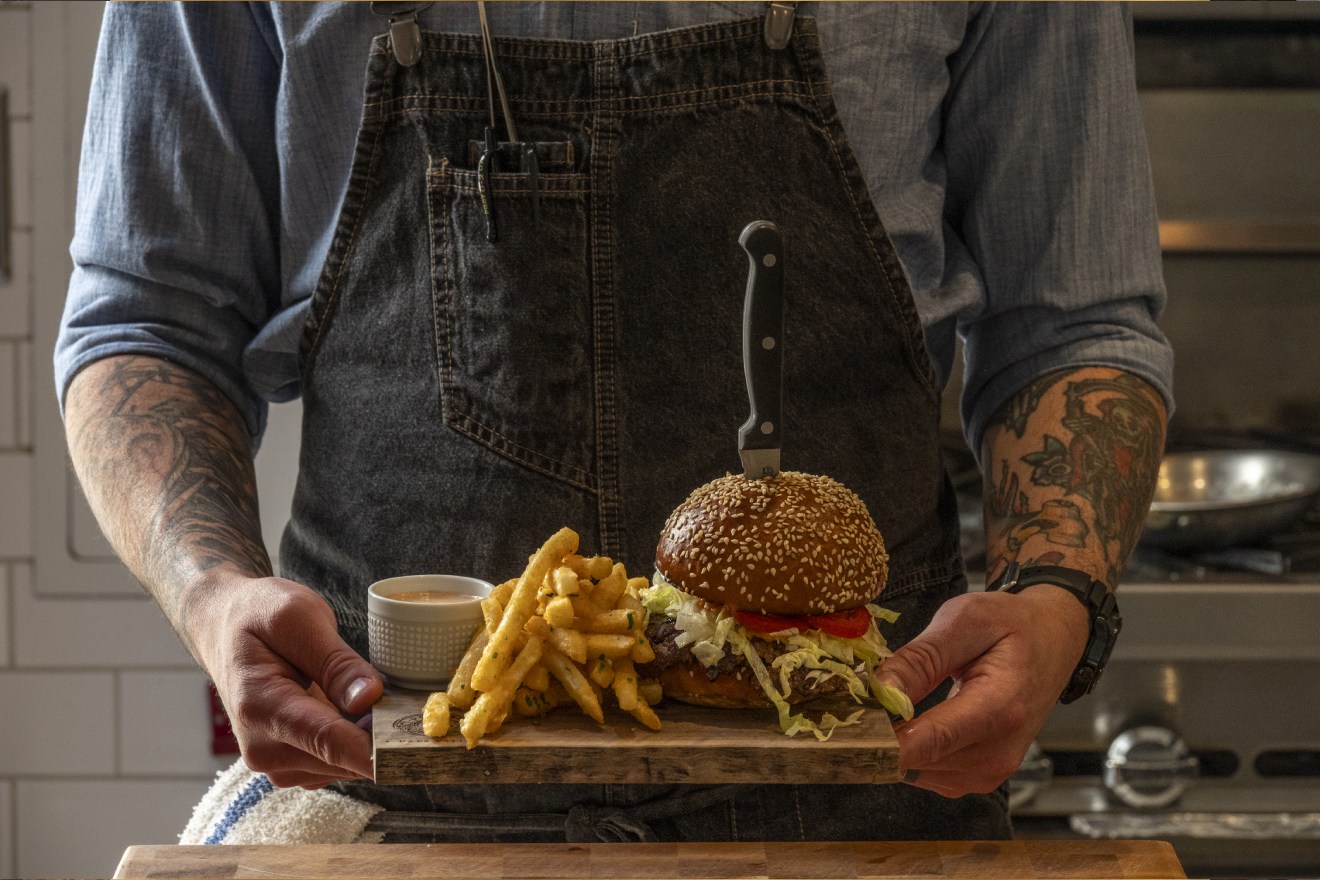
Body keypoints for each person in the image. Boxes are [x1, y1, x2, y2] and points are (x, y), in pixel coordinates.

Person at [57, 2, 1172, 842]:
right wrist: (211, 591)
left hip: (869, 781)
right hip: (391, 774)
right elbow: (146, 317)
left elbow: (1076, 323)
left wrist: (1056, 595)